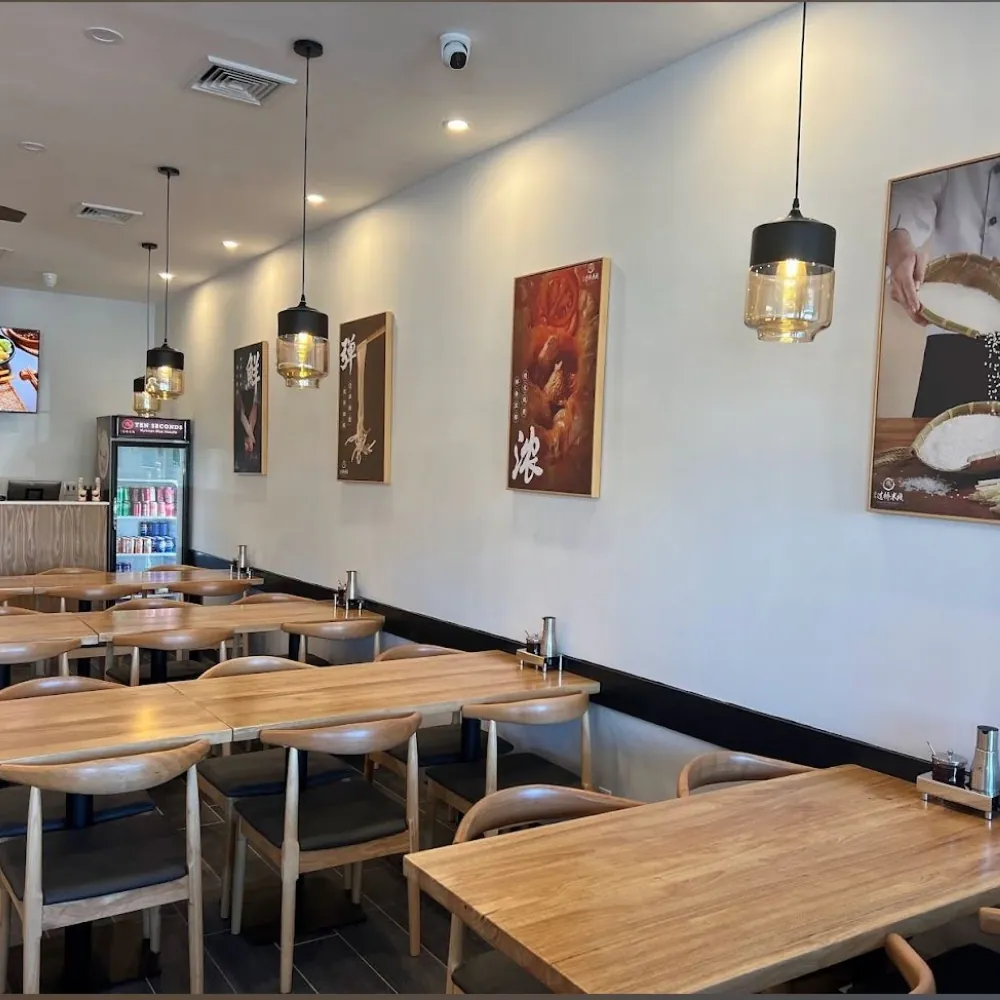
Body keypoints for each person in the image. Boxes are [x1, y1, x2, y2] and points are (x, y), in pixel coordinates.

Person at [886, 156, 1000, 416]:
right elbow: (912, 194)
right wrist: (901, 251)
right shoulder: (954, 126)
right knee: (935, 449)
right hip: (951, 335)